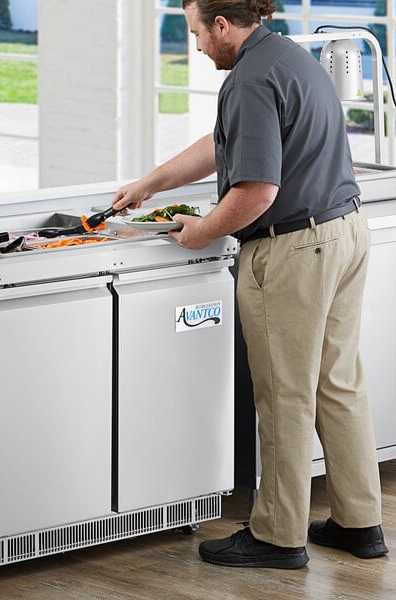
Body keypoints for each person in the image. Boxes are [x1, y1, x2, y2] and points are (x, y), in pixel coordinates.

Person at [112, 0, 388, 569]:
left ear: (221, 25)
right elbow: (223, 143)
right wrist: (153, 182)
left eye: (195, 32)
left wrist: (200, 232)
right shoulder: (289, 57)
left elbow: (256, 191)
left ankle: (278, 536)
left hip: (293, 250)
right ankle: (361, 523)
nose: (194, 44)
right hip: (343, 232)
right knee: (338, 383)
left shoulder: (249, 80)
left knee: (285, 393)